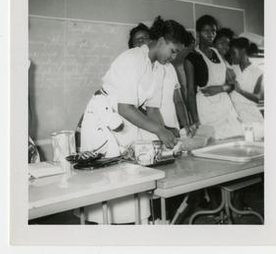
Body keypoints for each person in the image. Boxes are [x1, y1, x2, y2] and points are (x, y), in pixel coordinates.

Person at [78, 16, 190, 224]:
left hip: (125, 121)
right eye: (173, 50)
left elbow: (153, 109)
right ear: (162, 41)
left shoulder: (158, 69)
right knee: (107, 192)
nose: (174, 57)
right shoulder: (133, 58)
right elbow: (125, 108)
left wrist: (165, 131)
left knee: (132, 191)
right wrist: (159, 131)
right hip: (103, 121)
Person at [128, 23, 194, 137]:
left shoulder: (166, 67)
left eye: (145, 38)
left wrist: (186, 124)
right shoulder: (134, 65)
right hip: (149, 127)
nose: (143, 42)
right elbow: (133, 108)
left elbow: (178, 100)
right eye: (138, 40)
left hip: (169, 124)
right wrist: (163, 129)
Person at [184, 15, 243, 139]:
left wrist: (220, 89)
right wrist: (195, 120)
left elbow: (233, 85)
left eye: (213, 31)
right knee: (214, 142)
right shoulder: (191, 58)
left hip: (225, 105)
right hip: (206, 106)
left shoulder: (217, 53)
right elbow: (190, 92)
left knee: (234, 137)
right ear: (198, 33)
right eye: (206, 31)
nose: (211, 34)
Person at [229, 37, 264, 135]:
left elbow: (257, 98)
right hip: (234, 115)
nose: (231, 56)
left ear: (243, 51)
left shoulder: (258, 72)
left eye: (233, 53)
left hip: (251, 116)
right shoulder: (232, 68)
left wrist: (240, 91)